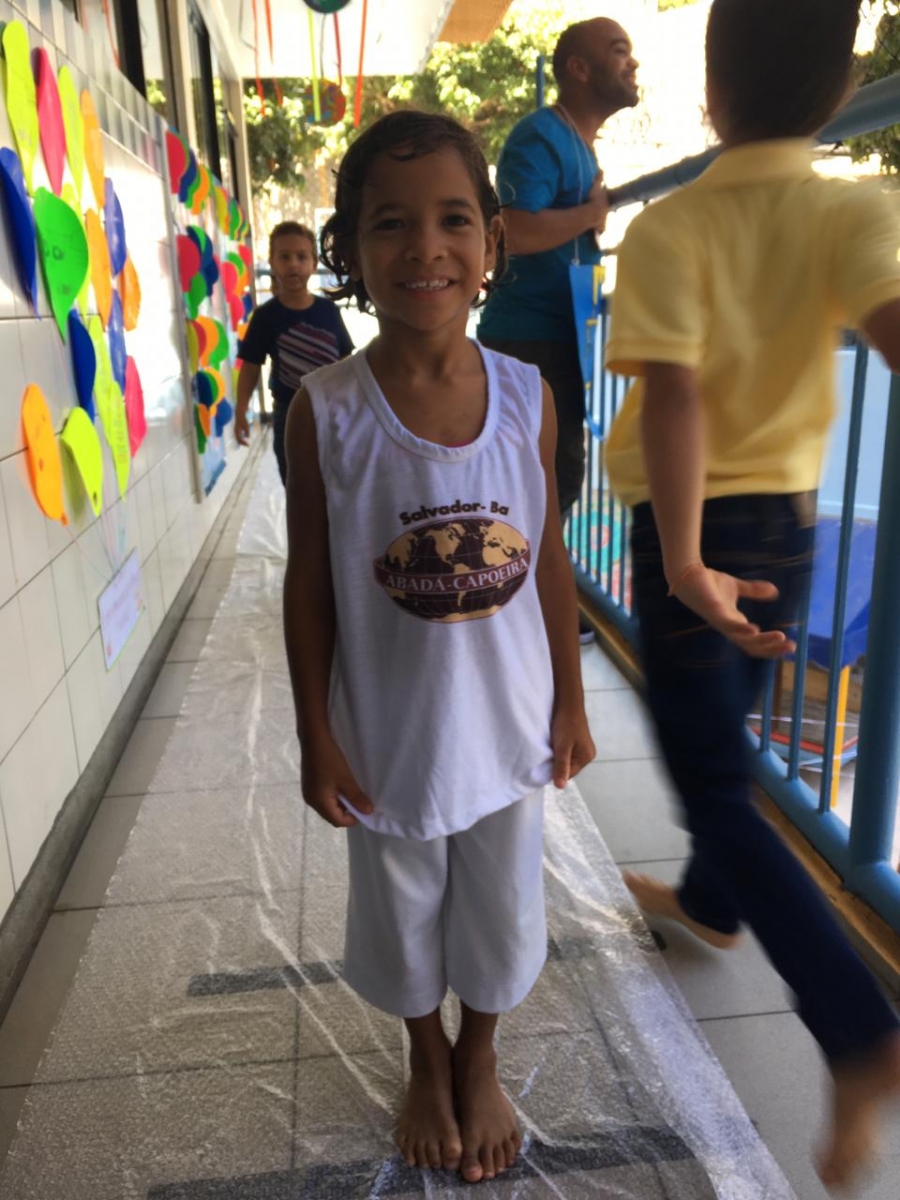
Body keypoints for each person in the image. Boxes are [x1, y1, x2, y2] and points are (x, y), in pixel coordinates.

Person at [603, 0, 900, 1188]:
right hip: (789, 526)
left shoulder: (672, 225)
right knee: (729, 733)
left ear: (712, 97)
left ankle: (861, 1031)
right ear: (840, 93)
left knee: (713, 781)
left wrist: (682, 563)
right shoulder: (856, 207)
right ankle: (711, 906)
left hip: (693, 530)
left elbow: (675, 396)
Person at [282, 111, 595, 1183]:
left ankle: (480, 1054)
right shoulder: (326, 411)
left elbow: (545, 557)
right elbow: (310, 581)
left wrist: (571, 700)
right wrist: (316, 732)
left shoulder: (525, 396)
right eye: (391, 224)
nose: (426, 248)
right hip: (389, 727)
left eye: (454, 219)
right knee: (402, 906)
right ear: (350, 249)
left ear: (492, 241)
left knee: (502, 906)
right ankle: (426, 1056)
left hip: (507, 719)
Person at [478, 17, 639, 640]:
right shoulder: (541, 135)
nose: (632, 63)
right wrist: (593, 211)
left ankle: (527, 598)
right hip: (529, 339)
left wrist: (587, 218)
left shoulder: (575, 141)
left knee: (554, 475)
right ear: (578, 67)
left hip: (554, 336)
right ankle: (526, 605)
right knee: (541, 478)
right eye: (619, 51)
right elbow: (514, 230)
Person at [234, 221, 353, 483]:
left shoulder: (328, 311)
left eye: (301, 257)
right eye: (284, 257)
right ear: (272, 262)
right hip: (288, 415)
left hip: (334, 411)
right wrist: (241, 410)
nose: (293, 265)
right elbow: (251, 366)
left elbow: (347, 360)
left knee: (339, 482)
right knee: (296, 483)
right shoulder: (266, 316)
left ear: (313, 263)